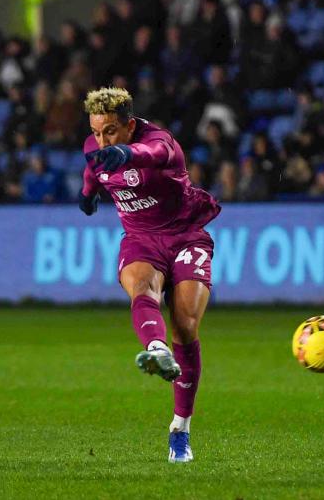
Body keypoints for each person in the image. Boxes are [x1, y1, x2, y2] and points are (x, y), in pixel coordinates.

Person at [78, 87, 221, 463]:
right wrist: (88, 191)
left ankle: (180, 430)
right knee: (142, 287)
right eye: (96, 131)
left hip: (186, 234)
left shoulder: (161, 142)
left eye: (110, 130)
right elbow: (92, 165)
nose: (101, 139)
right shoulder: (96, 148)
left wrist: (125, 153)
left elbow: (151, 154)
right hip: (141, 239)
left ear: (129, 125)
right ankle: (155, 349)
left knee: (186, 326)